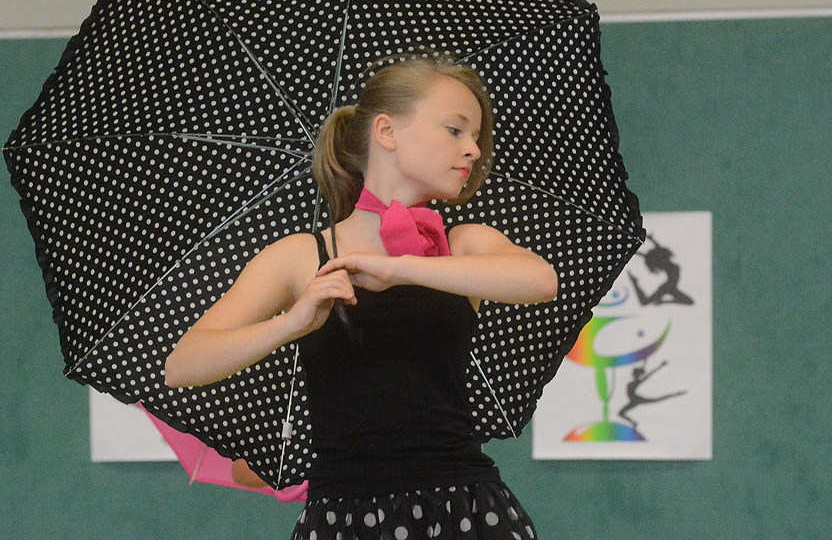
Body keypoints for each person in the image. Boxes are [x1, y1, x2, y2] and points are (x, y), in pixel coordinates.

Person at [165, 55, 557, 539]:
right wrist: (292, 323)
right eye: (455, 130)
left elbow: (539, 281)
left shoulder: (463, 243)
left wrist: (398, 268)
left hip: (462, 504)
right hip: (342, 514)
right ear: (387, 131)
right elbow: (183, 365)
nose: (473, 149)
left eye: (476, 136)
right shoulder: (301, 255)